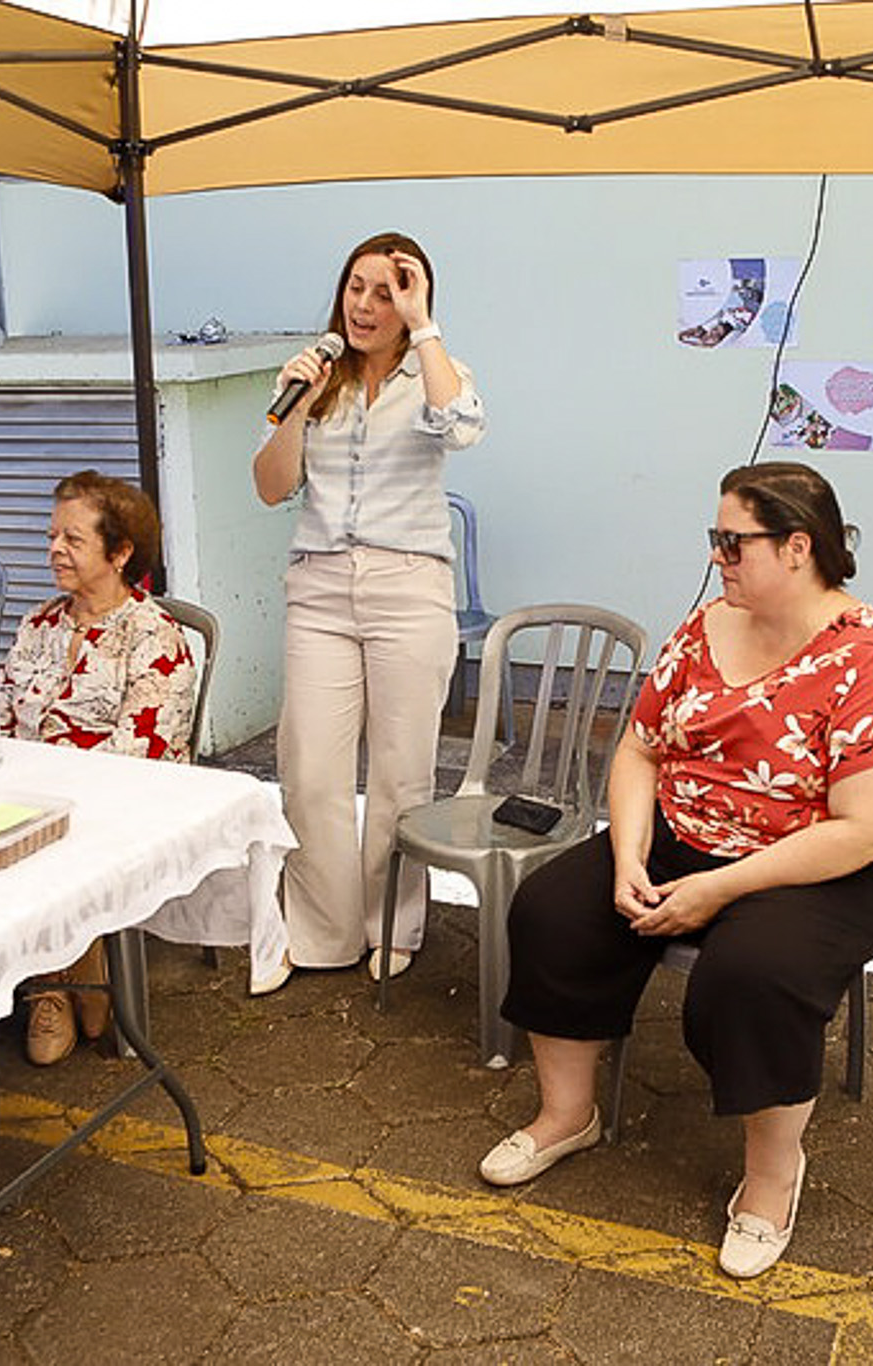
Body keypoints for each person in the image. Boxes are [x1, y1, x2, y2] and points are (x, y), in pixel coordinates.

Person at [481, 462, 873, 1280]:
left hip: (821, 864)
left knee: (751, 975)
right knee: (553, 909)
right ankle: (567, 1116)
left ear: (798, 547)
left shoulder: (872, 658)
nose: (718, 557)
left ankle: (771, 1181)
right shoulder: (704, 626)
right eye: (715, 540)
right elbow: (639, 748)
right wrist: (625, 854)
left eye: (734, 542)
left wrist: (720, 888)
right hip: (685, 836)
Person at [250, 231, 485, 988]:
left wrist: (425, 328)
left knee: (399, 773)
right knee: (310, 769)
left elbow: (465, 427)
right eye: (357, 286)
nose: (365, 304)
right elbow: (270, 485)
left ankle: (395, 924)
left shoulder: (436, 374)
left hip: (409, 587)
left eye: (387, 290)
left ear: (415, 298)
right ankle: (323, 931)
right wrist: (294, 410)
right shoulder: (316, 377)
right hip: (319, 587)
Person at [0, 470, 199, 1064]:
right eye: (52, 535)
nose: (55, 549)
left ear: (121, 552)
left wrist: (51, 795)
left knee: (42, 840)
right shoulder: (39, 625)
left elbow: (144, 755)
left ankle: (65, 969)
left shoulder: (153, 636)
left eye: (74, 539)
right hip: (28, 792)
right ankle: (59, 976)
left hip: (116, 797)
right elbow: (5, 714)